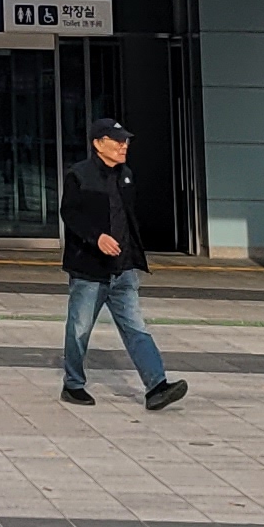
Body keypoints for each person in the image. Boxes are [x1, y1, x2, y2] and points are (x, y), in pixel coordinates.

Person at [60, 118, 186, 412]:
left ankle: (157, 386)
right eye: (117, 141)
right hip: (90, 270)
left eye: (125, 141)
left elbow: (128, 220)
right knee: (79, 329)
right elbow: (70, 214)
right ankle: (73, 385)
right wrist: (97, 238)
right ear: (98, 143)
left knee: (136, 328)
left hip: (124, 269)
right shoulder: (79, 175)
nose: (123, 145)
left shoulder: (126, 175)